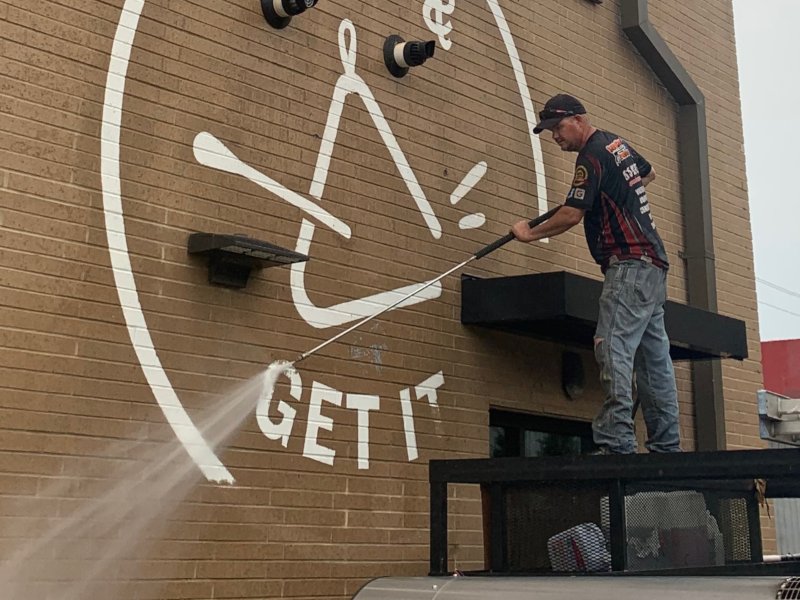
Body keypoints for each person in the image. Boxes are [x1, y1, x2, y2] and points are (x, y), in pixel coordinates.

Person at [511, 93, 681, 454]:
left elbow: (571, 215)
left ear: (578, 119)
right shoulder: (616, 144)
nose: (555, 136)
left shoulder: (591, 156)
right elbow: (647, 173)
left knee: (612, 346)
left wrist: (529, 233)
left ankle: (617, 441)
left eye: (558, 127)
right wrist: (605, 194)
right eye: (549, 130)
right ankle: (667, 447)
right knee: (653, 361)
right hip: (653, 266)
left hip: (629, 264)